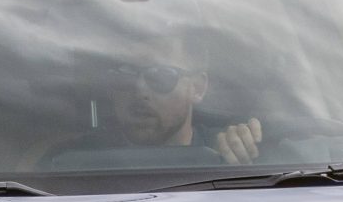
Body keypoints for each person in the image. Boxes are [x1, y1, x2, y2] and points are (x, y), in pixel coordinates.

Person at [51, 23, 264, 165]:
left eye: (160, 76)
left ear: (197, 88)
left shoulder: (231, 151)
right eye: (125, 74)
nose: (139, 90)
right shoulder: (73, 161)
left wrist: (243, 149)